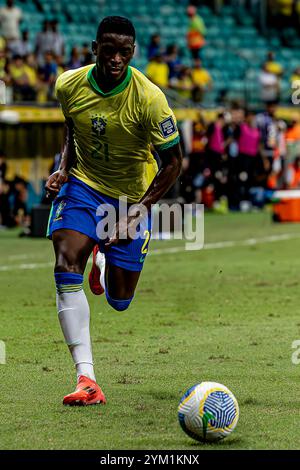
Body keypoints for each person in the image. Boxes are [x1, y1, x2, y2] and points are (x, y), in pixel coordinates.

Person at [45, 16, 182, 406]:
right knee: (65, 260)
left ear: (134, 52)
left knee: (120, 301)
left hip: (130, 198)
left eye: (125, 51)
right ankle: (86, 378)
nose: (117, 58)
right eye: (109, 50)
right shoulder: (68, 84)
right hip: (84, 186)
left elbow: (173, 162)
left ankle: (103, 261)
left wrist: (138, 211)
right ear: (95, 48)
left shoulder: (150, 99)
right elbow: (73, 127)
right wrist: (64, 168)